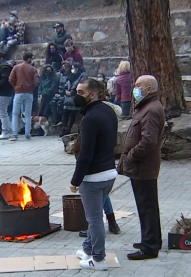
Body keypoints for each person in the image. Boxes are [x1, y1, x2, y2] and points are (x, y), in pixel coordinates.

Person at [69, 78, 118, 271]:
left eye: (81, 92)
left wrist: (75, 181)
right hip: (109, 173)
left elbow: (85, 155)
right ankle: (88, 248)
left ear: (93, 94)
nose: (77, 96)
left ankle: (98, 260)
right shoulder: (108, 111)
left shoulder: (90, 119)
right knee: (95, 215)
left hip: (94, 177)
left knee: (94, 219)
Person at [117, 75, 165, 261]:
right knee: (145, 205)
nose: (134, 89)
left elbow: (148, 140)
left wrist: (131, 156)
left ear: (149, 89)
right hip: (140, 167)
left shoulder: (151, 109)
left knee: (147, 207)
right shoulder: (146, 107)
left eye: (138, 86)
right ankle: (150, 239)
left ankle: (150, 246)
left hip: (143, 166)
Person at [8, 52, 40, 141]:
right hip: (29, 92)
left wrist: (16, 86)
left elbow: (10, 79)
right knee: (28, 114)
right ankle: (27, 133)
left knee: (15, 113)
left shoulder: (16, 67)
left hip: (18, 92)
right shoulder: (33, 69)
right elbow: (36, 82)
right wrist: (31, 87)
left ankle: (14, 134)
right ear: (29, 59)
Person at [60, 62, 87, 137]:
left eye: (74, 68)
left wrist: (72, 91)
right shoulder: (71, 76)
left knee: (72, 113)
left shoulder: (83, 76)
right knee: (65, 112)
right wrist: (66, 91)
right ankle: (64, 128)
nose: (72, 69)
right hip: (68, 97)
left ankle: (68, 129)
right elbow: (66, 83)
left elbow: (82, 85)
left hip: (76, 96)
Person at [50, 61, 71, 126]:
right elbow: (55, 85)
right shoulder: (59, 75)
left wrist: (63, 93)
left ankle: (62, 120)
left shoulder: (70, 75)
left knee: (60, 103)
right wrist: (56, 92)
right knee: (52, 102)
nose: (64, 68)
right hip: (58, 93)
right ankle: (56, 120)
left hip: (65, 94)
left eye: (65, 67)